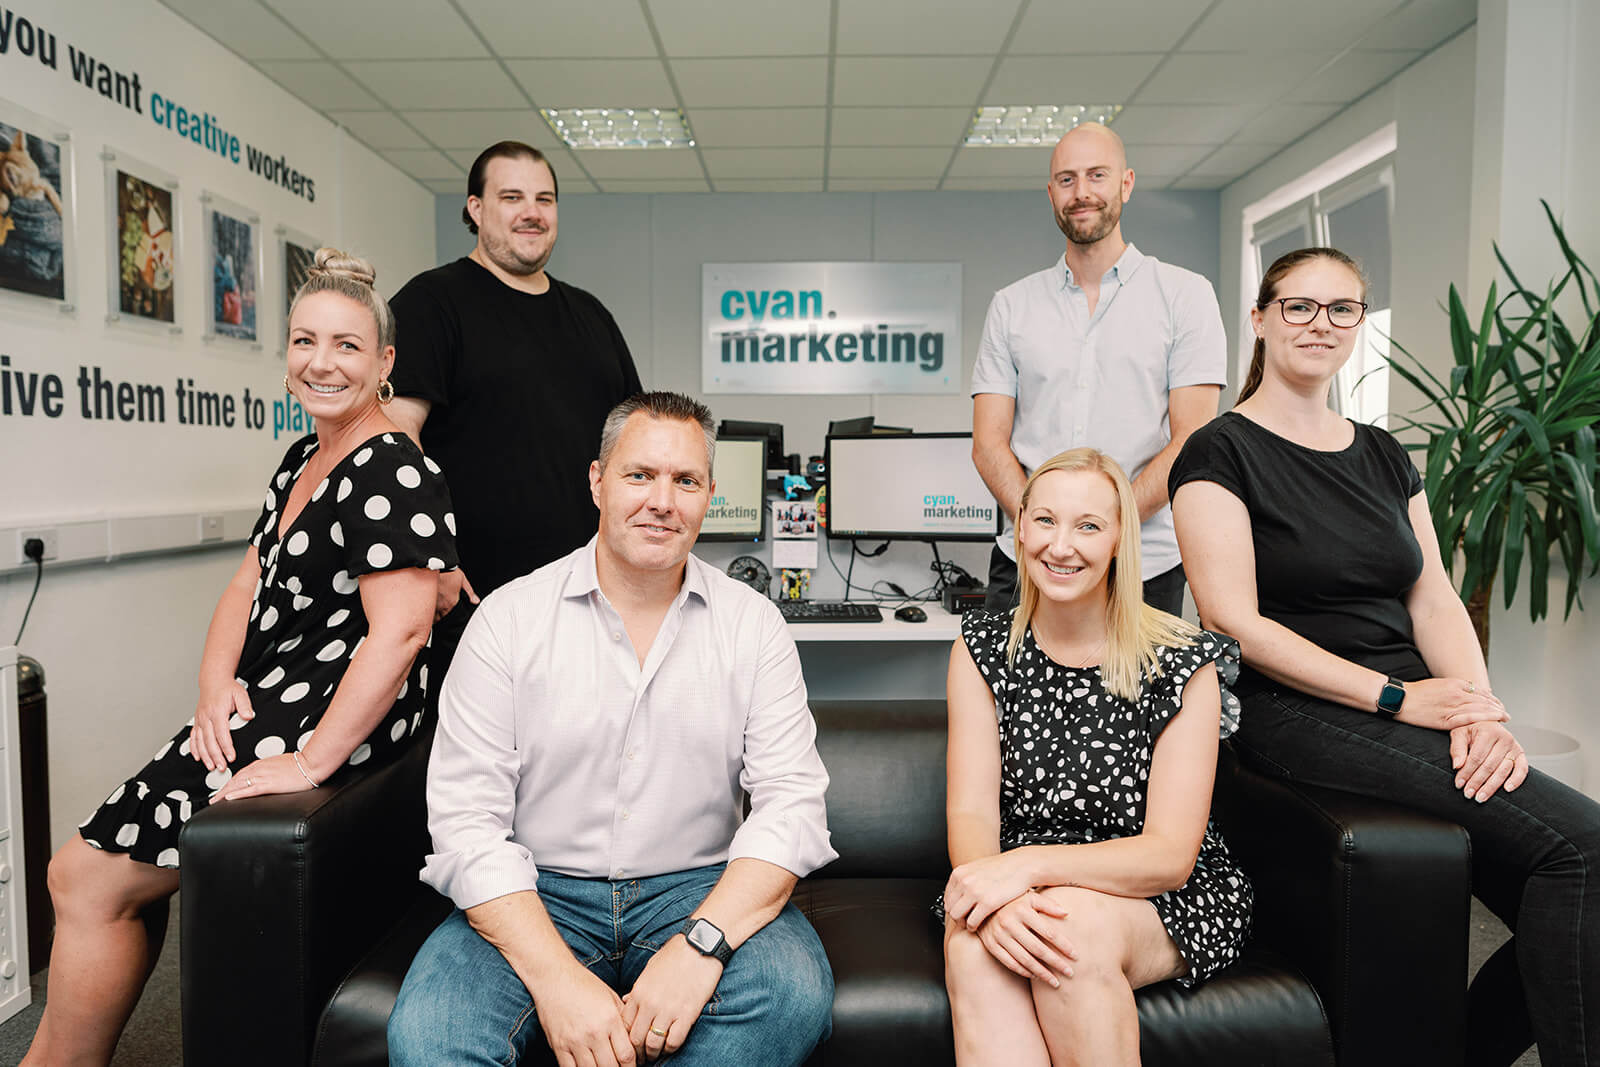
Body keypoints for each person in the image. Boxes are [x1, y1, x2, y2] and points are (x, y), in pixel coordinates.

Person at [24, 249, 456, 1067]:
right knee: (87, 879)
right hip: (272, 694)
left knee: (81, 876)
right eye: (304, 340)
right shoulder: (302, 457)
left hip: (324, 709)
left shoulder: (392, 465)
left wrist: (313, 757)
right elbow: (246, 579)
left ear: (386, 362)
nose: (320, 363)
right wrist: (214, 683)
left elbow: (400, 633)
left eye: (347, 345)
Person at [1170, 246, 1600, 1066]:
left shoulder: (1384, 453)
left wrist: (1476, 705)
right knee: (1584, 848)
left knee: (1577, 873)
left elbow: (1433, 595)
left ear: (1359, 325)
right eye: (1298, 306)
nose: (1320, 324)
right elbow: (1235, 621)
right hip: (1297, 709)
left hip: (1417, 701)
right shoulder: (1219, 451)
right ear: (1259, 320)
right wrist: (1402, 699)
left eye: (1342, 309)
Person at [388, 391, 836, 1067]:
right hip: (538, 889)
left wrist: (701, 942)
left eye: (685, 480)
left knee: (791, 996)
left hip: (695, 886)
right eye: (639, 475)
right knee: (430, 1033)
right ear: (597, 481)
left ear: (710, 493)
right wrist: (558, 978)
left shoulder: (753, 626)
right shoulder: (508, 621)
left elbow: (791, 808)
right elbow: (467, 825)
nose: (663, 500)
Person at [943, 447, 1251, 1067]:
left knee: (1067, 932)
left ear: (1120, 541)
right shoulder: (980, 648)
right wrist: (996, 895)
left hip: (1162, 894)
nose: (1062, 547)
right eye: (1046, 521)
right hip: (1016, 885)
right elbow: (972, 816)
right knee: (973, 947)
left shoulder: (1183, 660)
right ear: (1021, 525)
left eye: (1089, 526)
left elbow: (1168, 855)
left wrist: (1022, 871)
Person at [386, 140, 642, 664]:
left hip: (590, 604)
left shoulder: (591, 316)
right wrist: (427, 559)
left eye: (544, 199)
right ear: (476, 209)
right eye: (512, 197)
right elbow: (391, 441)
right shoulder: (431, 303)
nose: (532, 212)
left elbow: (634, 443)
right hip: (473, 605)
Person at [971, 122, 1227, 616]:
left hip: (1142, 566)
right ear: (1051, 193)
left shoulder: (1185, 296)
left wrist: (1108, 529)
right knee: (1013, 695)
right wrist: (1048, 530)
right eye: (1066, 180)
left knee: (1135, 695)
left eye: (1097, 175)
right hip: (1028, 563)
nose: (1081, 192)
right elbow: (988, 445)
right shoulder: (1011, 305)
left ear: (1126, 184)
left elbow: (1192, 439)